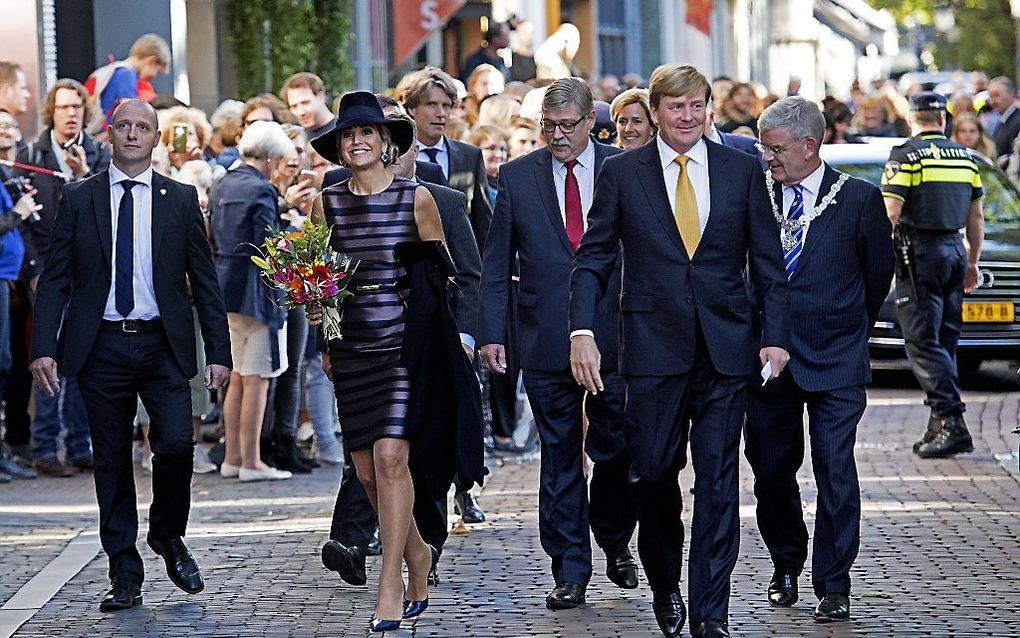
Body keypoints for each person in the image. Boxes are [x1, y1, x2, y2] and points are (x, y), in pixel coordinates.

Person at [569, 64, 790, 638]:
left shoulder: (742, 172)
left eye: (696, 107)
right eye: (675, 108)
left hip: (725, 351)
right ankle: (665, 585)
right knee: (654, 476)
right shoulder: (622, 173)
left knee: (719, 481)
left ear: (709, 110)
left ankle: (710, 614)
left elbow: (767, 262)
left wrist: (776, 335)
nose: (686, 118)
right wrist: (582, 332)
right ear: (658, 111)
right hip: (650, 351)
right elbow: (593, 258)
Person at [29, 98, 231, 611]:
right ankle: (124, 568)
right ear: (111, 134)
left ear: (157, 137)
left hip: (162, 343)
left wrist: (220, 352)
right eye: (124, 126)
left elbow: (205, 283)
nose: (134, 134)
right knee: (112, 459)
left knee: (175, 445)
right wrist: (42, 348)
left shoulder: (181, 199)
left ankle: (167, 535)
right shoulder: (79, 198)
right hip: (101, 346)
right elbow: (55, 278)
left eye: (144, 126)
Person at [480, 77, 638, 612]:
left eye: (567, 126)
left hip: (616, 337)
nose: (557, 136)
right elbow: (497, 265)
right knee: (560, 454)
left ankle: (615, 538)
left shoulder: (624, 168)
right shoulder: (519, 177)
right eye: (548, 127)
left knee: (617, 452)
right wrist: (491, 333)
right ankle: (569, 567)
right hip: (545, 336)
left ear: (591, 122)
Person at [745, 97, 895, 624]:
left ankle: (833, 582)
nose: (768, 158)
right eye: (764, 147)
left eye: (776, 148)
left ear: (810, 145)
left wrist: (846, 326)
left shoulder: (858, 199)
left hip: (835, 359)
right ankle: (786, 562)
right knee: (770, 471)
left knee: (835, 470)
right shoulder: (754, 196)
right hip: (767, 361)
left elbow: (877, 276)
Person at [305, 90, 445, 632]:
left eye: (367, 132)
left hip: (402, 349)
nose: (357, 140)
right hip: (350, 350)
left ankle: (390, 580)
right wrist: (323, 329)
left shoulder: (417, 199)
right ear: (339, 148)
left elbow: (437, 282)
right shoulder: (327, 202)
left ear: (386, 143)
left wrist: (437, 346)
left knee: (390, 461)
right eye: (348, 135)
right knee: (365, 471)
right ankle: (417, 551)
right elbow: (320, 282)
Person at [881, 92, 985, 459]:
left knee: (922, 342)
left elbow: (891, 212)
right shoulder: (965, 157)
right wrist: (972, 261)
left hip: (919, 255)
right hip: (954, 252)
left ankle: (952, 421)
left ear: (913, 119)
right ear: (943, 120)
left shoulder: (906, 155)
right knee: (945, 340)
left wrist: (876, 258)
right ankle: (938, 425)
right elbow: (975, 217)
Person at [16, 79, 111, 477]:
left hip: (87, 274)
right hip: (47, 273)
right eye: (64, 107)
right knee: (46, 358)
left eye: (77, 107)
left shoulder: (98, 154)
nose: (71, 114)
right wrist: (36, 270)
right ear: (51, 112)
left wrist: (84, 174)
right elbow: (25, 223)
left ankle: (78, 444)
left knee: (81, 359)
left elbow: (107, 208)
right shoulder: (31, 153)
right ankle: (44, 447)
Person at [210, 121, 293, 482]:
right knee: (256, 379)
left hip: (224, 286)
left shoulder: (223, 182)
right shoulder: (261, 189)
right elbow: (267, 244)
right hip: (256, 292)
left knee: (239, 379)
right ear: (272, 158)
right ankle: (251, 462)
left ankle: (233, 458)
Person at [398, 67, 493, 253]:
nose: (441, 113)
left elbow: (483, 224)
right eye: (431, 104)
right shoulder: (399, 157)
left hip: (462, 264)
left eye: (447, 105)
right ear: (411, 108)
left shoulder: (470, 156)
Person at [86, 34, 170, 126]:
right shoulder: (127, 74)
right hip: (107, 133)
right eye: (157, 71)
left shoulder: (114, 69)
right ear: (152, 61)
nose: (154, 76)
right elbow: (130, 113)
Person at [281, 72, 336, 140]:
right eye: (294, 106)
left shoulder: (345, 131)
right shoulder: (294, 138)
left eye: (305, 103)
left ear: (321, 97)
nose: (301, 112)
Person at [468, 124, 509, 208]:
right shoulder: (469, 186)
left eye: (502, 149)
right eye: (492, 148)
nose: (499, 155)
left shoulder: (507, 184)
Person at [987, 76, 1020, 164]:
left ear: (1011, 94)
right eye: (991, 96)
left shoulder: (1017, 122)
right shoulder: (1004, 120)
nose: (992, 101)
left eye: (997, 95)